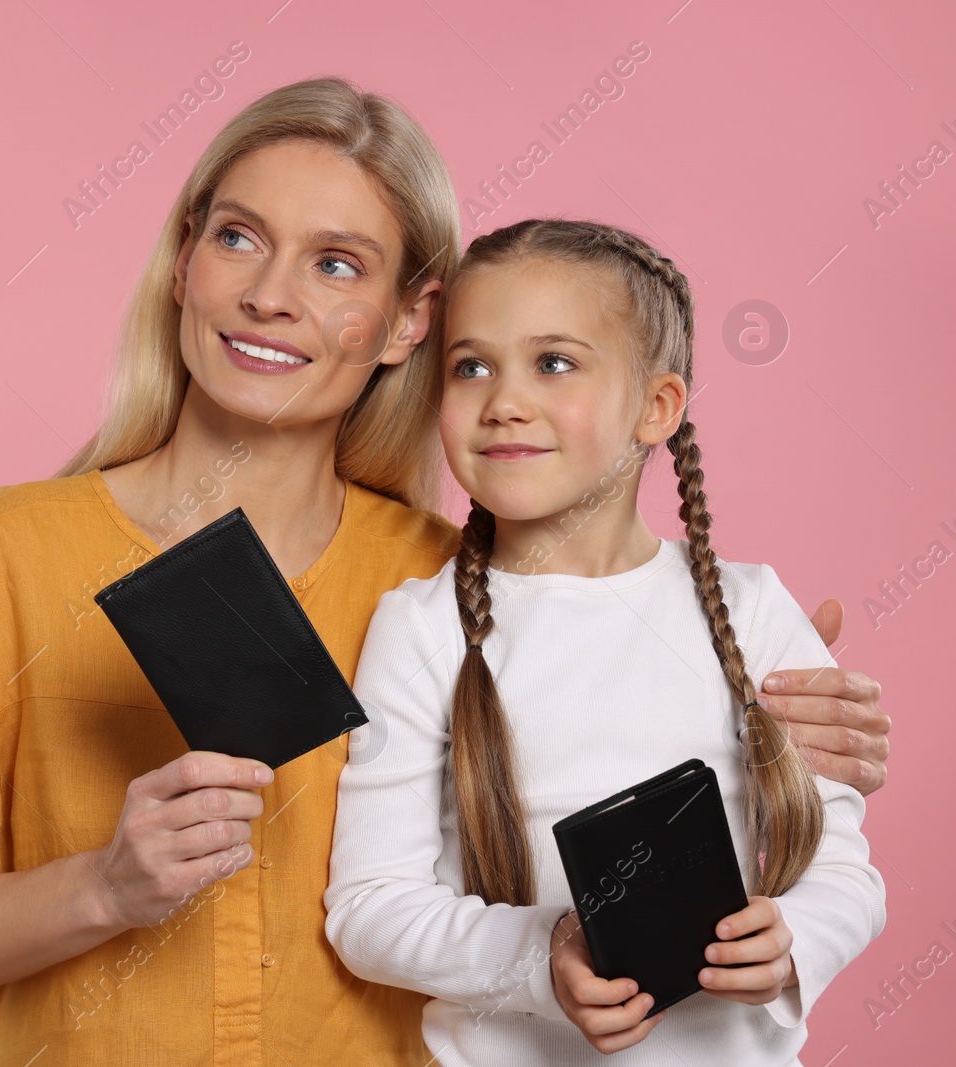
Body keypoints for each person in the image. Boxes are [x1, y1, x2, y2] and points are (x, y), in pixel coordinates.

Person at [0, 79, 891, 1066]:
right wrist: (101, 884)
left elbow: (617, 747)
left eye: (336, 264)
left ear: (406, 320)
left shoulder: (448, 583)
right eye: (238, 238)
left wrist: (773, 730)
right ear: (183, 262)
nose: (271, 296)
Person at [323, 218, 887, 1065]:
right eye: (471, 365)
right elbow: (369, 904)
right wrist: (542, 956)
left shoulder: (753, 608)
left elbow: (844, 870)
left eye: (554, 362)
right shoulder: (422, 627)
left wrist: (793, 940)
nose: (505, 399)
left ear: (656, 407)